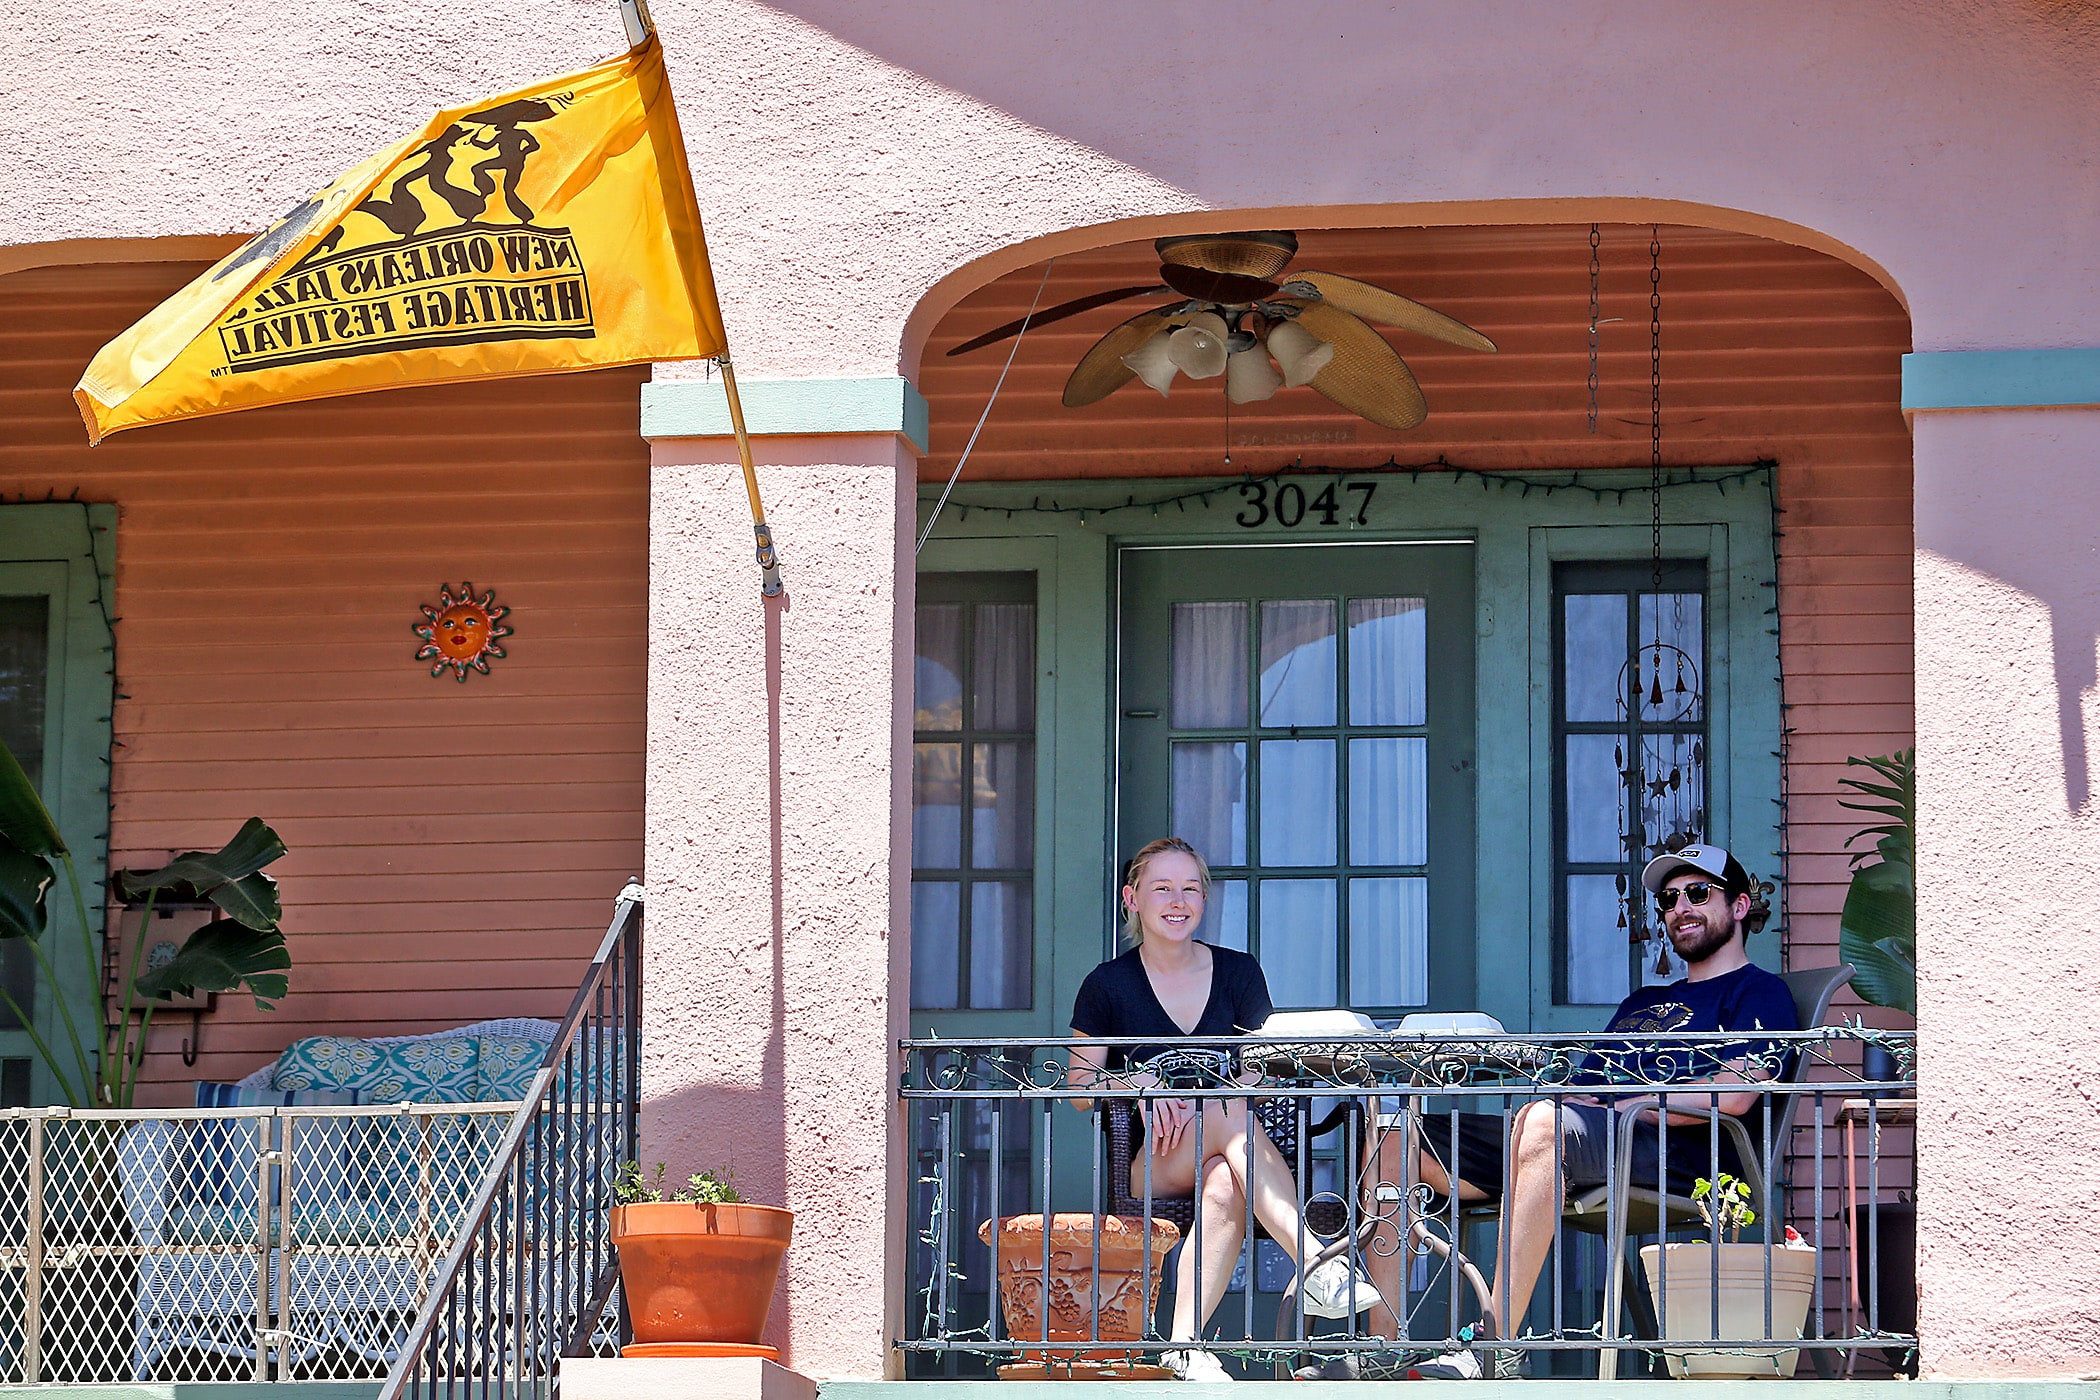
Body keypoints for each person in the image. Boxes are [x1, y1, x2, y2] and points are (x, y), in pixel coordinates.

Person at [1346, 843, 1799, 1381]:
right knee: (1396, 1141)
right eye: (1669, 899)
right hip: (1586, 1140)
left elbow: (1738, 1094)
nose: (1681, 907)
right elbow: (1580, 1092)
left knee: (1542, 1123)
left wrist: (1636, 1103)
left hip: (1677, 1156)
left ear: (1741, 906)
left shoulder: (1761, 993)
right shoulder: (1642, 1003)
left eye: (1698, 893)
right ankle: (1381, 1350)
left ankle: (1496, 1346)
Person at [1067, 837, 1384, 1382]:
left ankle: (1184, 1346)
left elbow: (1263, 1070)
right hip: (1154, 1166)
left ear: (1204, 901)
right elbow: (1076, 1088)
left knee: (1221, 1175)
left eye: (1191, 888)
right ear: (1132, 899)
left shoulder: (1239, 973)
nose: (1178, 899)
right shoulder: (1107, 985)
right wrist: (1136, 1082)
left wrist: (1216, 1092)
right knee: (1219, 1107)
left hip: (1234, 1156)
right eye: (1162, 887)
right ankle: (1314, 1257)